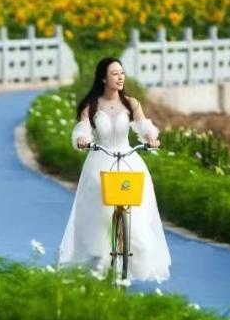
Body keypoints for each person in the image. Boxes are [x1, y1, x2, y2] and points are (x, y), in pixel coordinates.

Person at [57, 57, 171, 283]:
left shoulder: (131, 103)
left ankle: (129, 254)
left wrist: (151, 139)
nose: (120, 77)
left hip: (128, 159)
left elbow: (144, 127)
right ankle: (99, 259)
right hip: (101, 159)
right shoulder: (91, 106)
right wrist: (81, 139)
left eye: (122, 73)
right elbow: (83, 130)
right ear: (103, 78)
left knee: (137, 212)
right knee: (99, 213)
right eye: (114, 74)